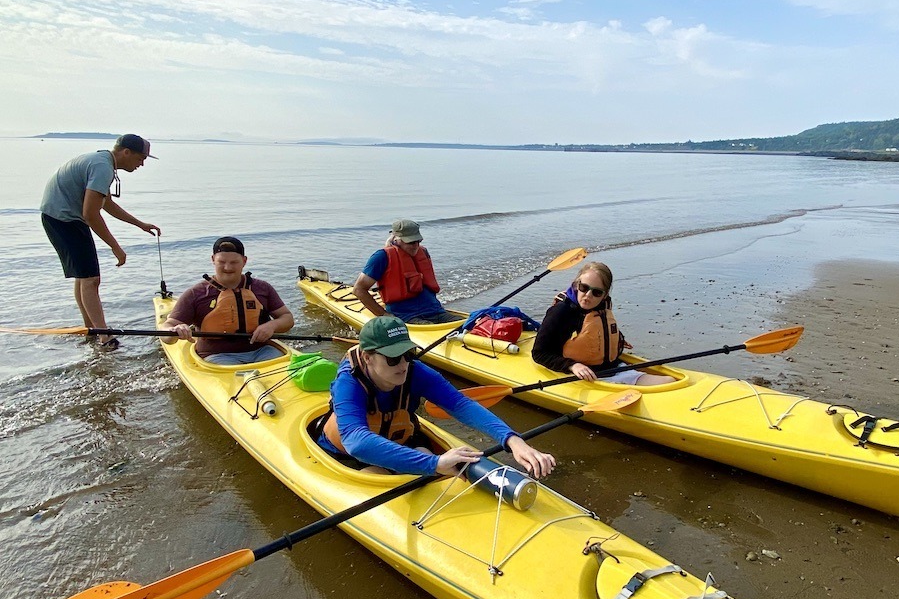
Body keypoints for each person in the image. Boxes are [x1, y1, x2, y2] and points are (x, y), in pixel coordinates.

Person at [318, 316, 556, 478]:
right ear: (368, 358)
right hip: (346, 454)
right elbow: (356, 442)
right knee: (380, 474)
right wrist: (434, 464)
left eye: (407, 353)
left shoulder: (414, 371)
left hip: (400, 439)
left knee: (427, 461)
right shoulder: (348, 383)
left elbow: (460, 404)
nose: (403, 364)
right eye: (392, 358)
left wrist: (513, 440)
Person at [40, 134, 161, 350]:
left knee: (84, 277)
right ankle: (104, 337)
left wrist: (140, 224)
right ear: (126, 152)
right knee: (91, 279)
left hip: (58, 217)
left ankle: (91, 329)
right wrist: (115, 247)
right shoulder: (102, 167)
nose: (142, 164)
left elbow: (106, 204)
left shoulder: (102, 162)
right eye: (141, 158)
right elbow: (90, 214)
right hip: (64, 219)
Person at [532, 261, 675, 386]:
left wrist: (617, 339)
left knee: (671, 380)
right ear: (577, 284)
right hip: (585, 376)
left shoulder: (603, 305)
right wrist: (572, 366)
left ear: (605, 295)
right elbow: (539, 353)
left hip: (611, 368)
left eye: (597, 292)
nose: (588, 295)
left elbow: (597, 329)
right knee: (668, 383)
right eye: (584, 288)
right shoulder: (561, 311)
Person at [161, 236, 295, 365]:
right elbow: (166, 331)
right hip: (217, 356)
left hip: (262, 351)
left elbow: (287, 319)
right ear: (213, 259)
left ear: (244, 261)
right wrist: (176, 330)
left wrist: (272, 326)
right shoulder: (196, 293)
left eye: (234, 262)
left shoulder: (262, 288)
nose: (228, 268)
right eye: (222, 262)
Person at [352, 219, 461, 324]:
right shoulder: (381, 257)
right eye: (411, 242)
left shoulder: (423, 252)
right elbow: (359, 289)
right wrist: (384, 315)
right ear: (396, 239)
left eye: (418, 241)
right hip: (407, 317)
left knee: (472, 325)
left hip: (437, 312)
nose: (416, 246)